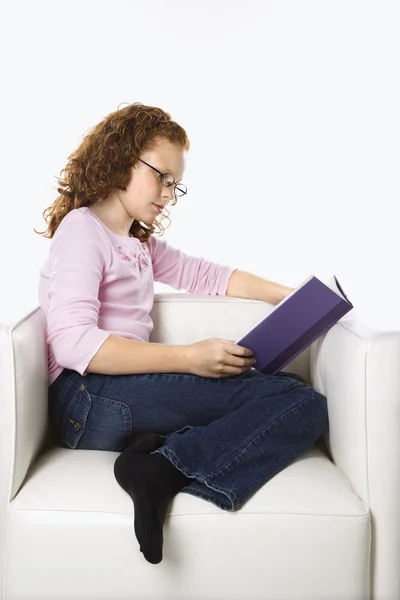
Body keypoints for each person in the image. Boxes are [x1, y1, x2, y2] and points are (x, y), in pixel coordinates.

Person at [35, 102, 328, 565]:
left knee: (291, 393)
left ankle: (153, 459)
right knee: (302, 404)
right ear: (120, 160)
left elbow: (211, 275)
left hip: (116, 395)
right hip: (85, 400)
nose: (169, 194)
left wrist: (292, 297)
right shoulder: (81, 231)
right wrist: (188, 358)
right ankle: (164, 468)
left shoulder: (137, 243)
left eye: (176, 183)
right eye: (162, 177)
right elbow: (73, 342)